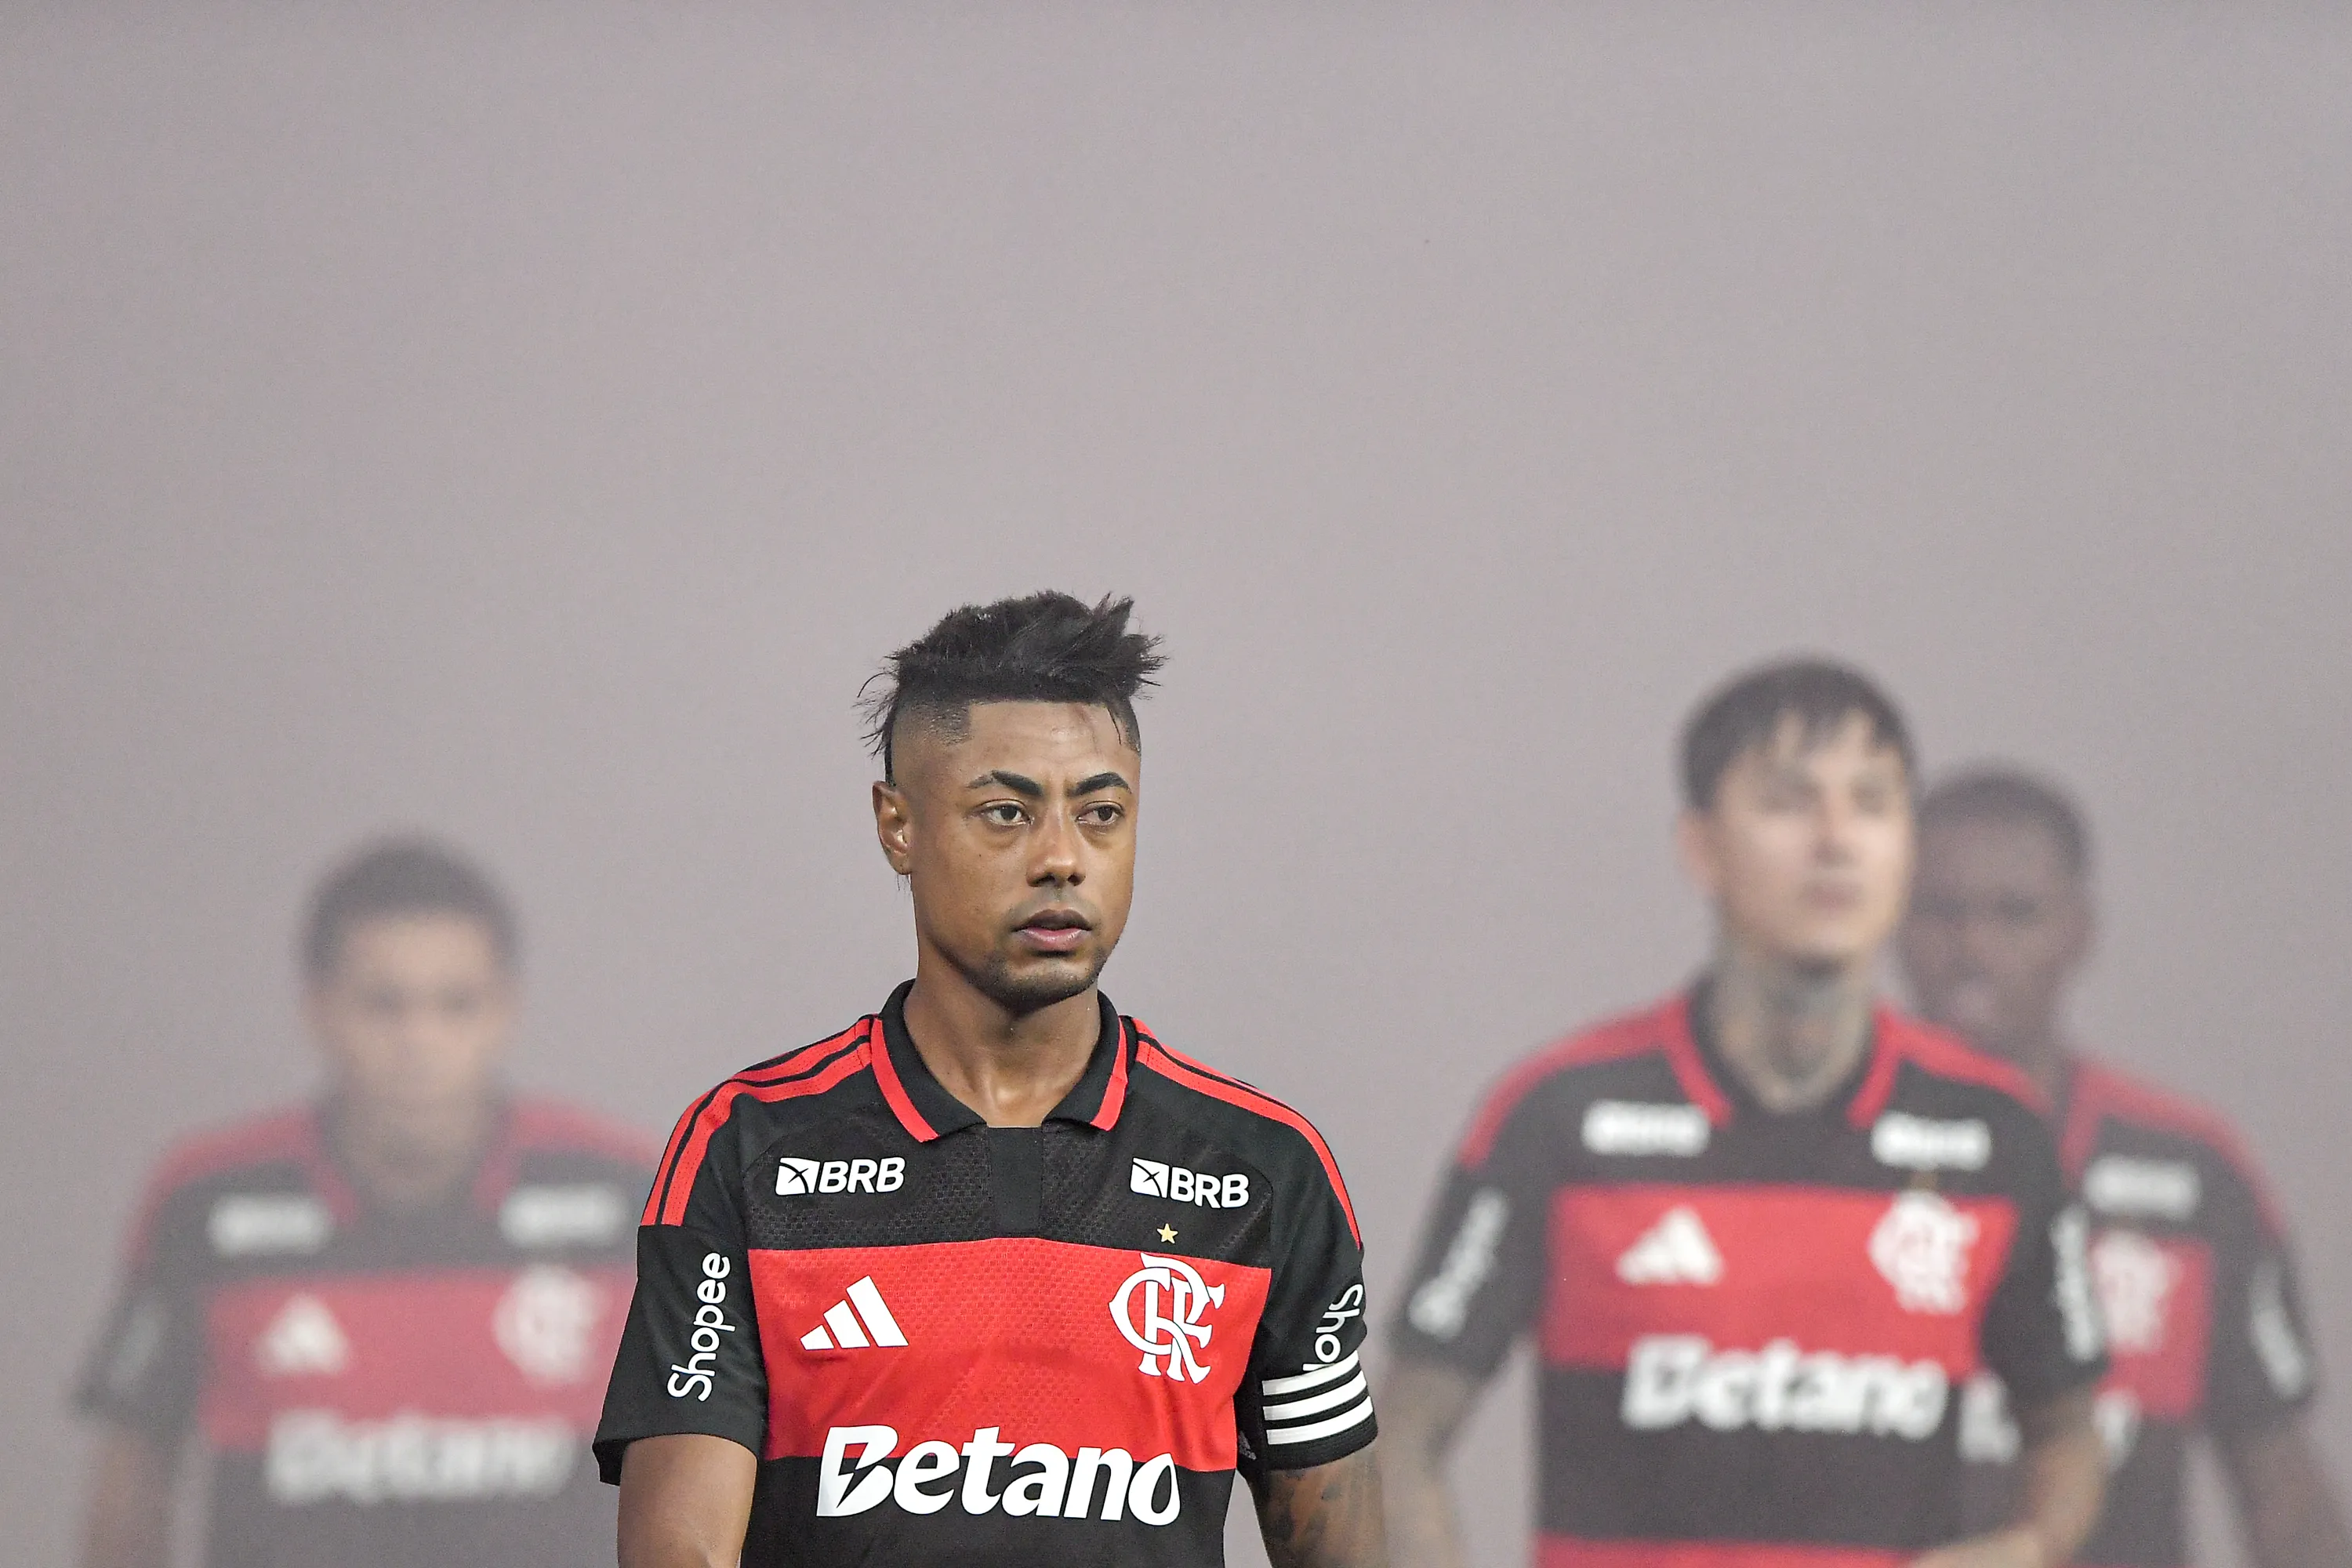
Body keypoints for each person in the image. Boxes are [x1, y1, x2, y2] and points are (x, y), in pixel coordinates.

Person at [594, 591, 1387, 1567]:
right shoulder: (749, 1147)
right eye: (1005, 813)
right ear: (898, 826)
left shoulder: (1267, 1172)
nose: (1061, 858)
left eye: (1101, 812)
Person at [1380, 659, 2110, 1568]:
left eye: (1874, 802)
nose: (1837, 838)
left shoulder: (1995, 1132)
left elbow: (2070, 1429)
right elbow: (1401, 1435)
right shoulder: (1560, 1113)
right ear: (1701, 847)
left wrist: (2031, 1544)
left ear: (1907, 847)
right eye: (1789, 800)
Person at [74, 837, 657, 1568]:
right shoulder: (206, 1202)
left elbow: (706, 1447)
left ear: (507, 1008)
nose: (420, 1039)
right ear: (318, 1009)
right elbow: (135, 1471)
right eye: (384, 1005)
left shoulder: (626, 1191)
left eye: (456, 1004)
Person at [1899, 766, 2352, 1568]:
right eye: (1942, 912)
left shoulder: (2188, 1172)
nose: (1973, 948)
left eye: (2015, 914)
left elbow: (2281, 1492)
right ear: (1893, 920)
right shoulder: (1823, 1159)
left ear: (2079, 929)